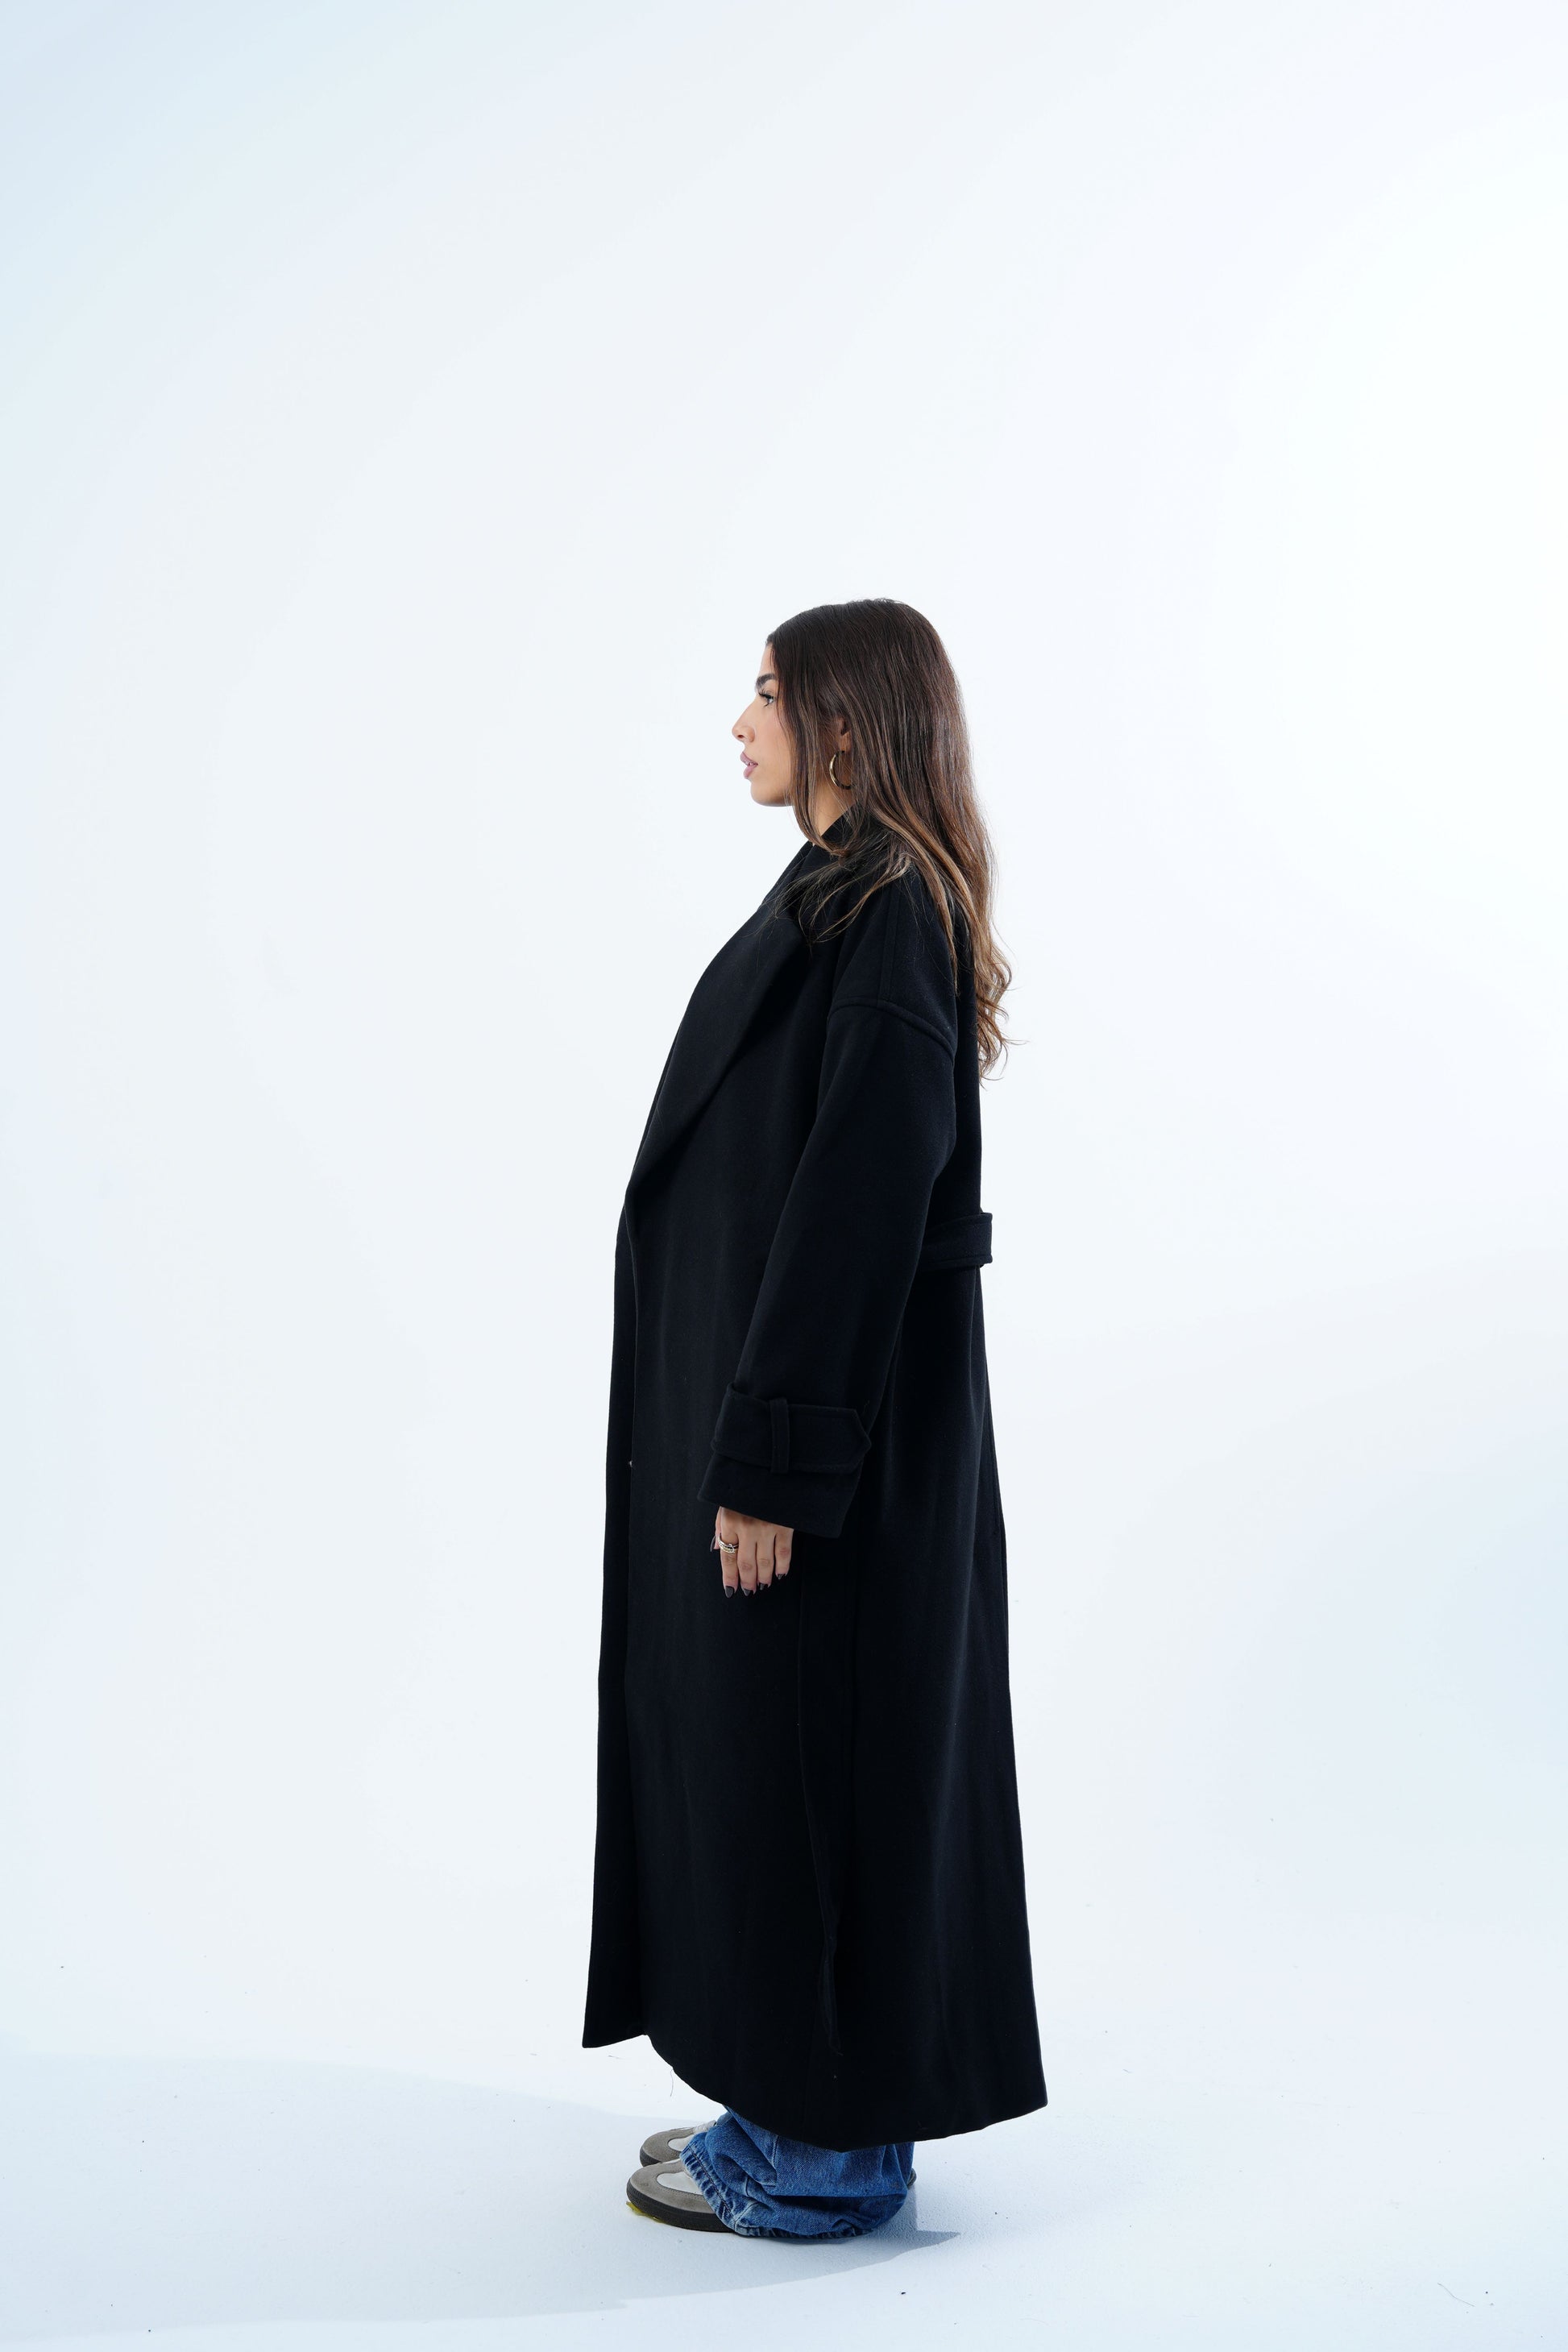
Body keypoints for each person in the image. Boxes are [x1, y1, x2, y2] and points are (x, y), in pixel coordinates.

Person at [583, 599, 1046, 2240]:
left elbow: (859, 1199)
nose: (739, 722)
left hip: (833, 1448)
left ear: (846, 721)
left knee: (821, 1768)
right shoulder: (845, 892)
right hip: (804, 1422)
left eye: (769, 692)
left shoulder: (890, 909)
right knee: (772, 1758)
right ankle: (782, 2107)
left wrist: (776, 1461)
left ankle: (828, 2157)